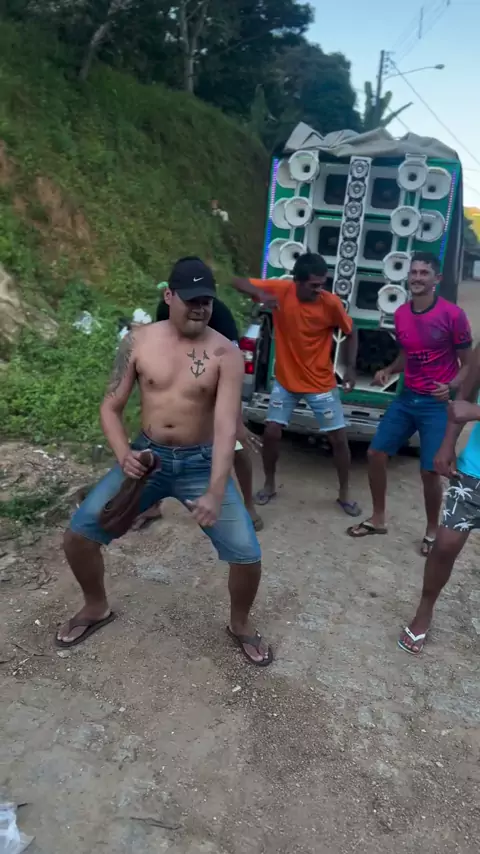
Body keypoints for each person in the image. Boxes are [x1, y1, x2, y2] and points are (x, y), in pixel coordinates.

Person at [56, 257, 272, 667]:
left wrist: (215, 490)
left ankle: (240, 624)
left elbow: (226, 425)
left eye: (206, 301)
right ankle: (96, 605)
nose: (200, 308)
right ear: (169, 296)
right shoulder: (137, 342)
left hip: (201, 462)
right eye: (191, 300)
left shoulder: (226, 353)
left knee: (247, 553)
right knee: (78, 536)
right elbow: (110, 407)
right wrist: (125, 455)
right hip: (147, 459)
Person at [348, 251, 472, 555]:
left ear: (436, 279)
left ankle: (431, 531)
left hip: (435, 405)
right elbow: (408, 353)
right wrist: (390, 370)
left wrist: (452, 386)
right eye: (413, 272)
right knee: (376, 453)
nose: (417, 278)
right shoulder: (402, 313)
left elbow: (469, 363)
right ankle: (378, 518)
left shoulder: (453, 315)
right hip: (407, 398)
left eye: (424, 273)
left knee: (430, 471)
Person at [230, 251, 361, 516]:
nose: (319, 289)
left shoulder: (331, 303)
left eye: (322, 284)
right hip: (286, 381)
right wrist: (262, 295)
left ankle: (344, 493)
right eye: (313, 285)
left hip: (320, 383)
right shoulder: (281, 290)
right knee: (271, 432)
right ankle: (269, 484)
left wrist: (349, 368)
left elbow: (351, 331)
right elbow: (237, 281)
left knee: (338, 438)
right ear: (297, 282)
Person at [136, 289, 263, 532]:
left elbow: (234, 368)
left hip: (218, 376)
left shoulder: (220, 316)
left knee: (235, 445)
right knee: (159, 444)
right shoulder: (165, 311)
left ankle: (248, 505)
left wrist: (237, 422)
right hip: (186, 376)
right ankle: (152, 504)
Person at [398, 344, 480, 655]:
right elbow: (463, 400)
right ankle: (425, 610)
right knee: (444, 546)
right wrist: (447, 445)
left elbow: (471, 409)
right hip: (475, 470)